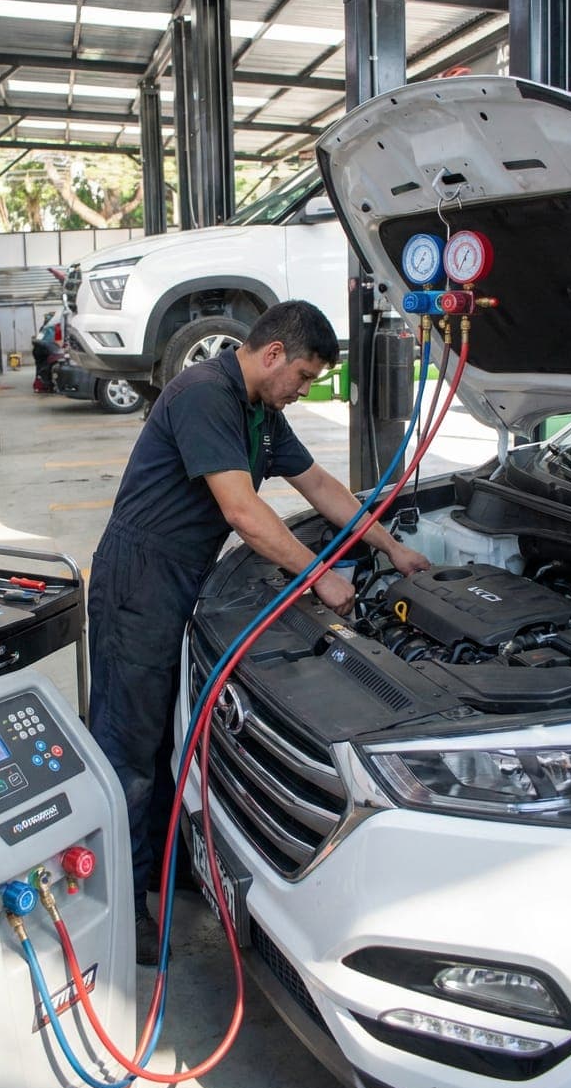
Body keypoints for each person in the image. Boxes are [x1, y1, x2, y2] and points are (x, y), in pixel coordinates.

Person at [87, 301, 429, 965]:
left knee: (168, 738)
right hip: (138, 581)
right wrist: (319, 577)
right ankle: (121, 908)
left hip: (183, 578)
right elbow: (244, 512)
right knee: (127, 749)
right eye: (302, 376)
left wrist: (391, 547)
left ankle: (165, 872)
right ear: (273, 354)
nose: (303, 391)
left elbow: (322, 485)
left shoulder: (262, 414)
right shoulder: (203, 394)